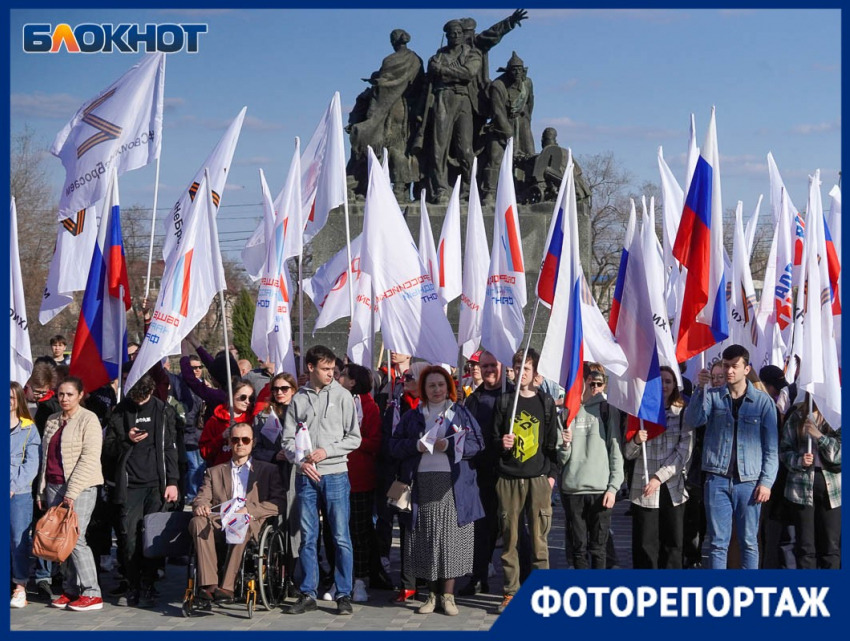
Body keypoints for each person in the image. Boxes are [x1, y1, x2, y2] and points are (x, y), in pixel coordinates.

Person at [389, 365, 484, 616]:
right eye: (431, 385)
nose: (437, 390)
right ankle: (431, 595)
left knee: (451, 541)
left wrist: (449, 445)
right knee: (427, 539)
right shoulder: (413, 416)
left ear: (449, 387)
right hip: (421, 483)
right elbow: (394, 446)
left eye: (441, 385)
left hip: (454, 486)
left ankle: (449, 596)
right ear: (424, 389)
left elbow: (477, 444)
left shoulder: (459, 414)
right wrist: (415, 446)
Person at [282, 345, 361, 616]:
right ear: (311, 368)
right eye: (325, 369)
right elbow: (287, 439)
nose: (331, 373)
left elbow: (354, 437)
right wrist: (300, 460)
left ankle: (343, 593)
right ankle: (308, 592)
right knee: (307, 536)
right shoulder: (298, 399)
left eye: (333, 369)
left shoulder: (343, 396)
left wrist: (328, 450)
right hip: (306, 475)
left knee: (340, 536)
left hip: (336, 473)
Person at [685, 344, 779, 570]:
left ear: (746, 369)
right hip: (717, 479)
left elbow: (771, 447)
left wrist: (766, 482)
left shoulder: (763, 402)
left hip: (750, 482)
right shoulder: (713, 396)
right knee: (718, 543)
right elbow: (693, 419)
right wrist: (699, 389)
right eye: (726, 366)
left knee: (749, 542)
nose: (729, 371)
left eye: (734, 366)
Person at [103, 373, 180, 607]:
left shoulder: (163, 410)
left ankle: (148, 583)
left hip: (156, 483)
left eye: (143, 396)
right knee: (128, 537)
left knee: (151, 536)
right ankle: (133, 583)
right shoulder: (119, 411)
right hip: (129, 485)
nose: (139, 401)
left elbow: (170, 448)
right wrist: (127, 439)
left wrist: (173, 481)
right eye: (135, 397)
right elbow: (108, 449)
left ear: (151, 391)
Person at [492, 348, 560, 614]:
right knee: (509, 539)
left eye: (527, 369)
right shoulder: (505, 401)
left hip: (538, 479)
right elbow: (492, 441)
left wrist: (551, 477)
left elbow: (552, 444)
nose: (521, 374)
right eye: (517, 368)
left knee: (539, 540)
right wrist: (502, 443)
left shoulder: (546, 403)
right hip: (509, 479)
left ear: (535, 373)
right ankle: (511, 592)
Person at [189, 423, 285, 603]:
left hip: (249, 521)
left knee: (242, 521)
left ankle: (227, 587)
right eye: (235, 440)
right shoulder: (214, 471)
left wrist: (249, 509)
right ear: (229, 442)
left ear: (253, 443)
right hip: (220, 520)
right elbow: (201, 497)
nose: (240, 443)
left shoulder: (268, 470)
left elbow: (278, 503)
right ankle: (209, 585)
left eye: (245, 439)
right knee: (198, 521)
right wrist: (200, 506)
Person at [37, 377, 104, 611]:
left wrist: (72, 491)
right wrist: (41, 490)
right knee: (59, 540)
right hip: (54, 486)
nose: (64, 398)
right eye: (61, 394)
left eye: (69, 394)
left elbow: (89, 457)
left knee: (75, 538)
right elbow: (45, 458)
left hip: (81, 487)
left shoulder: (89, 419)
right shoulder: (53, 420)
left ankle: (92, 592)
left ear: (80, 395)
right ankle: (70, 589)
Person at [624, 366, 693, 569]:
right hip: (643, 487)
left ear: (675, 385)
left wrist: (659, 478)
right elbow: (628, 454)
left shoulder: (683, 413)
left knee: (673, 544)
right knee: (646, 544)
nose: (664, 385)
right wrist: (636, 441)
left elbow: (684, 452)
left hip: (672, 488)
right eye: (659, 381)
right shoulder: (640, 412)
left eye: (668, 381)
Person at [557, 368, 624, 570]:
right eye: (590, 382)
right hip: (573, 489)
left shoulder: (607, 409)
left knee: (598, 548)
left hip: (600, 490)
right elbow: (561, 458)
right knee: (578, 548)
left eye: (599, 383)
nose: (594, 387)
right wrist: (565, 445)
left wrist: (613, 488)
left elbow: (616, 451)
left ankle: (598, 593)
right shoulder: (568, 411)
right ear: (582, 382)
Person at [460, 350, 513, 596]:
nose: (489, 370)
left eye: (493, 365)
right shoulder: (474, 398)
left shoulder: (514, 395)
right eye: (485, 366)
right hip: (481, 473)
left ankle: (516, 582)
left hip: (510, 473)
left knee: (514, 530)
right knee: (482, 528)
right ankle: (478, 576)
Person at [375, 360, 428, 603]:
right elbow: (388, 443)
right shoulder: (396, 408)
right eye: (405, 376)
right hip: (402, 477)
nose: (405, 380)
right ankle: (408, 583)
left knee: (427, 529)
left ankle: (425, 577)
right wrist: (411, 447)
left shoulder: (436, 409)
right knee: (407, 527)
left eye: (410, 377)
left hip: (429, 476)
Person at [423, 20, 482, 203]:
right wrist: (446, 71)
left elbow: (468, 73)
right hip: (443, 98)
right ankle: (441, 189)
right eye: (452, 33)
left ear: (463, 35)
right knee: (439, 146)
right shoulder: (436, 57)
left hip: (463, 100)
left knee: (465, 149)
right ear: (446, 36)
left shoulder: (472, 54)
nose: (455, 36)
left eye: (458, 32)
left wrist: (443, 71)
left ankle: (469, 189)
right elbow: (430, 78)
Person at [337, 363, 382, 602]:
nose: (338, 377)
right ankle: (340, 579)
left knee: (359, 532)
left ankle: (360, 579)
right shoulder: (334, 400)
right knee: (336, 531)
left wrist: (350, 440)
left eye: (342, 375)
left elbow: (374, 443)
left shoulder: (369, 406)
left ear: (353, 382)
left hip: (359, 478)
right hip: (334, 475)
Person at [251, 371, 299, 594]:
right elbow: (254, 448)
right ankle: (273, 574)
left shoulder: (301, 414)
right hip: (272, 475)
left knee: (294, 528)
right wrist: (273, 455)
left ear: (293, 390)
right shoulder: (263, 416)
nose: (280, 393)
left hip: (296, 476)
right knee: (274, 524)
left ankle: (292, 575)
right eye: (276, 389)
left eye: (284, 389)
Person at [780, 396, 841, 569]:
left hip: (832, 489)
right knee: (805, 546)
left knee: (830, 546)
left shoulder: (837, 416)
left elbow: (839, 455)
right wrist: (799, 460)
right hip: (802, 487)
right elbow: (784, 451)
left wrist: (819, 436)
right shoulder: (797, 417)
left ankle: (831, 591)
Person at [10, 382, 42, 609]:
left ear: (18, 400)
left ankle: (20, 586)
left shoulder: (29, 428)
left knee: (18, 540)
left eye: (12, 397)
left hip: (18, 494)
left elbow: (32, 464)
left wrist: (13, 486)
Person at [199, 380, 256, 467]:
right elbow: (204, 452)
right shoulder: (215, 421)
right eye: (243, 397)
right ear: (231, 396)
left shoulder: (253, 420)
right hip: (221, 471)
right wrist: (221, 437)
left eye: (251, 398)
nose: (247, 402)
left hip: (247, 471)